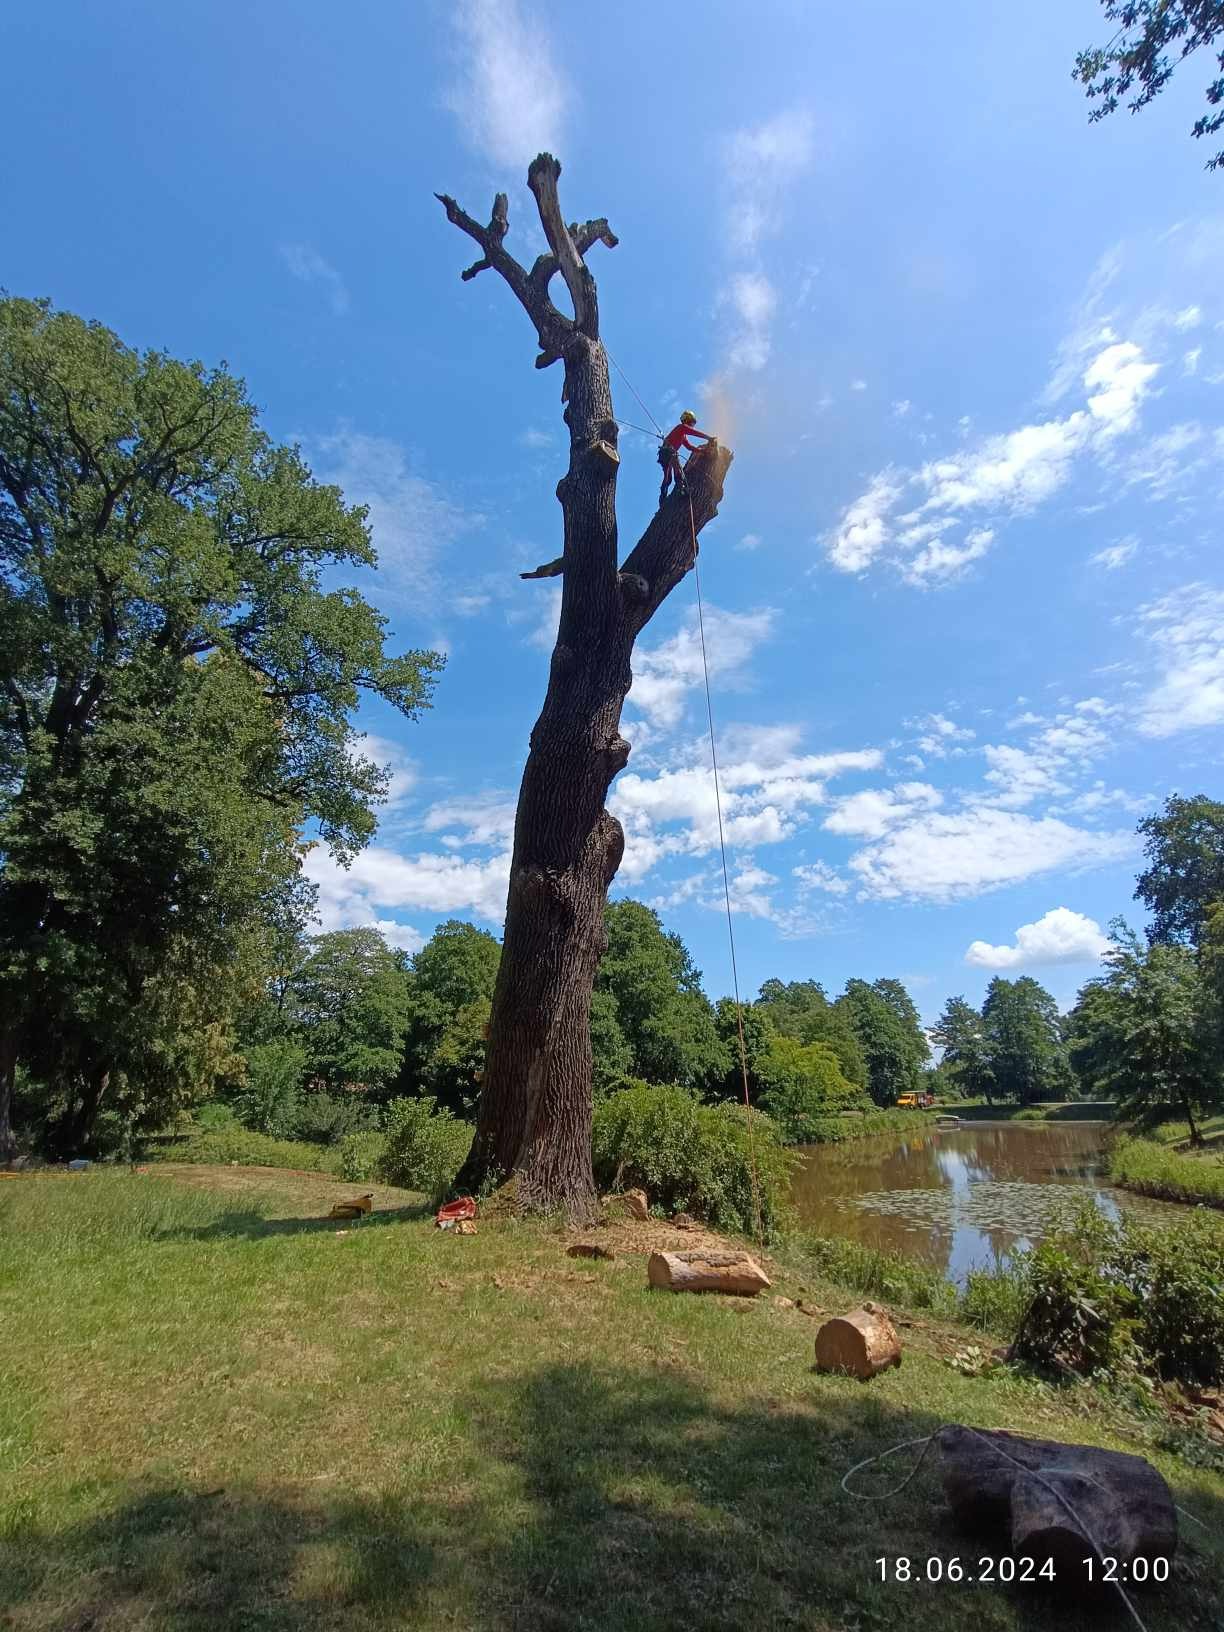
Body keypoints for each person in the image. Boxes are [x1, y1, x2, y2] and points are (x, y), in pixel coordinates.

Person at [657, 410, 715, 504]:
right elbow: (694, 432)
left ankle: (662, 498)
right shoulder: (681, 427)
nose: (692, 425)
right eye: (692, 422)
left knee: (668, 479)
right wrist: (708, 438)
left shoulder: (682, 435)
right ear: (688, 420)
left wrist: (701, 451)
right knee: (678, 470)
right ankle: (682, 490)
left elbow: (689, 447)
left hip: (664, 455)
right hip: (669, 453)